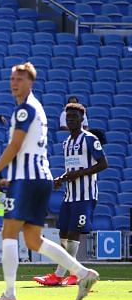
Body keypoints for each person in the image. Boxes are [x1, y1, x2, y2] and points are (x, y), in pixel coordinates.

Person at [0, 62, 99, 300]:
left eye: (20, 79)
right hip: (39, 178)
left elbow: (15, 146)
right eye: (13, 79)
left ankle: (10, 293)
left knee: (9, 232)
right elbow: (28, 150)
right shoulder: (36, 108)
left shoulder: (25, 110)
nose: (15, 83)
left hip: (28, 180)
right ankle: (83, 273)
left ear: (30, 82)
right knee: (34, 240)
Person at [33, 102, 107, 287]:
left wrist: (78, 174)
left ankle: (59, 275)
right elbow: (72, 168)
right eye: (68, 117)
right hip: (70, 195)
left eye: (74, 116)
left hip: (85, 195)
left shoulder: (90, 139)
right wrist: (62, 178)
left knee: (74, 233)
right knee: (64, 233)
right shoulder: (66, 143)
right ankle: (75, 273)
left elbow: (103, 164)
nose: (71, 120)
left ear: (82, 118)